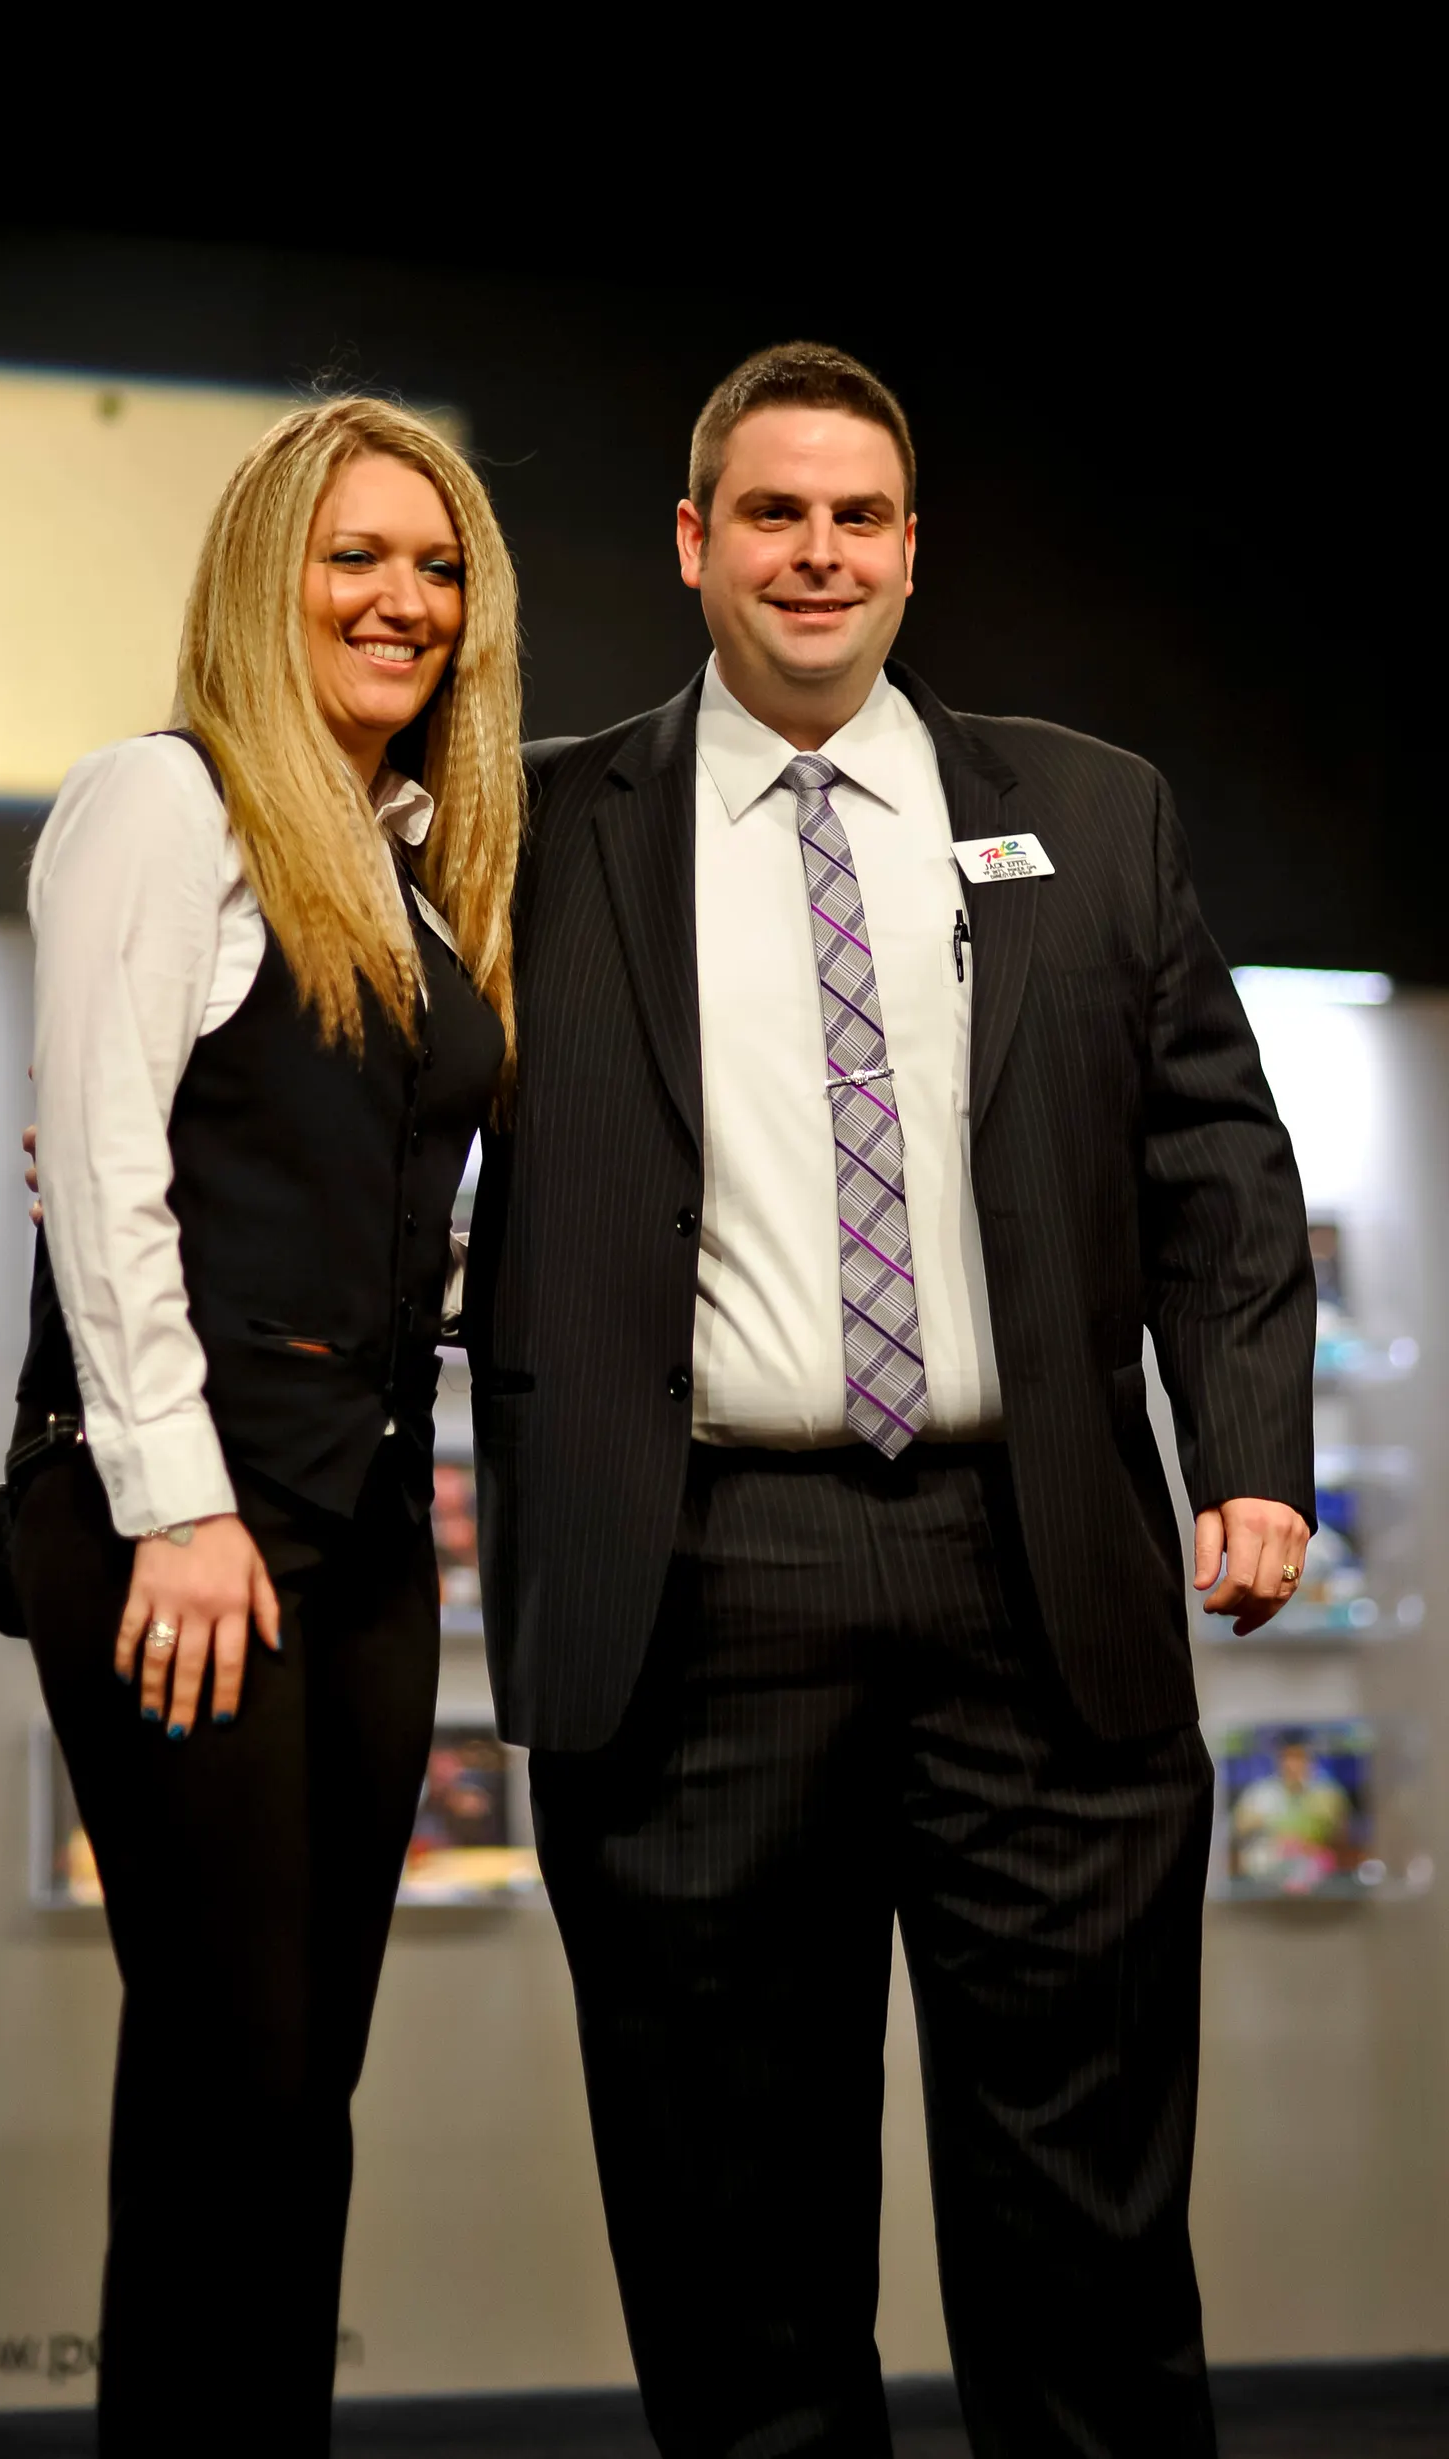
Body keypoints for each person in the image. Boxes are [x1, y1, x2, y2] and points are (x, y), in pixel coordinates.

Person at [464, 343, 1316, 2457]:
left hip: (1037, 1575)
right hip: (692, 1590)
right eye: (772, 512)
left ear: (913, 551)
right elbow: (368, 1086)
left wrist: (1247, 1456)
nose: (816, 553)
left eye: (857, 517)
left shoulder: (1090, 812)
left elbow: (1213, 1158)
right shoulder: (535, 826)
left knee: (1087, 2240)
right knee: (732, 2244)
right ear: (692, 542)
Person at [11, 396, 521, 2456]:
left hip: (368, 1530)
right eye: (355, 554)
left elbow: (379, 1209)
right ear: (263, 574)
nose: (405, 598)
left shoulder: (408, 864)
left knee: (290, 2086)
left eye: (439, 564)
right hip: (189, 1523)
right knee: (243, 2074)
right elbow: (104, 1169)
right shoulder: (163, 800)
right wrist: (179, 1505)